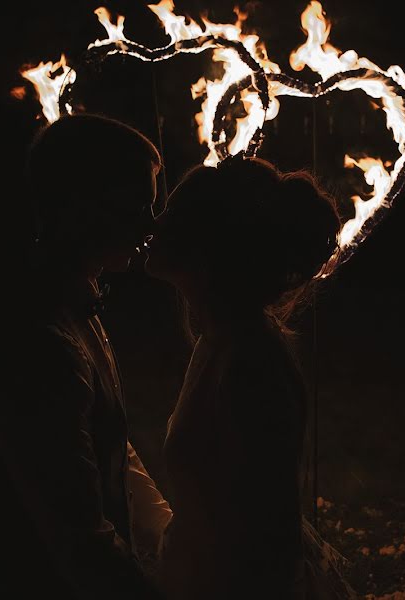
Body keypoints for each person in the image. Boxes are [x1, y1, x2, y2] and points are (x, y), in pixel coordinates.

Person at [0, 114, 172, 600]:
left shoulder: (79, 304)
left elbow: (107, 446)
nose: (151, 224)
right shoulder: (32, 340)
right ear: (80, 204)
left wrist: (170, 540)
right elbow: (74, 532)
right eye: (137, 204)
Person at [145, 157, 356, 599]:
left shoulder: (251, 362)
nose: (156, 219)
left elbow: (266, 533)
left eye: (173, 212)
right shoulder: (221, 341)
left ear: (208, 243)